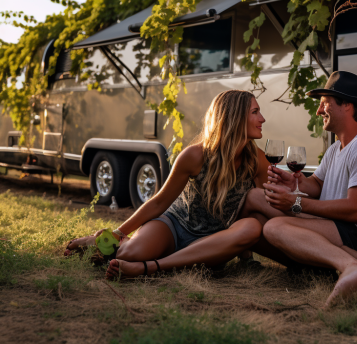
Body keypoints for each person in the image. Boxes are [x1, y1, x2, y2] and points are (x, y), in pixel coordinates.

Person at [241, 71, 357, 306]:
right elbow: (317, 185)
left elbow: (356, 211)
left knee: (275, 227)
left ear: (347, 105)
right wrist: (294, 183)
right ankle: (331, 266)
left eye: (324, 104)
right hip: (345, 232)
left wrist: (296, 204)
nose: (318, 111)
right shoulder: (337, 147)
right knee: (256, 202)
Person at [65, 90, 270, 278]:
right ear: (234, 117)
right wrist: (118, 233)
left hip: (211, 241)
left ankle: (150, 267)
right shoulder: (195, 155)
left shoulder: (256, 160)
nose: (262, 119)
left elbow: (254, 209)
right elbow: (158, 203)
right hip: (175, 225)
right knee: (130, 254)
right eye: (255, 112)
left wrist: (247, 259)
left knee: (250, 226)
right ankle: (104, 241)